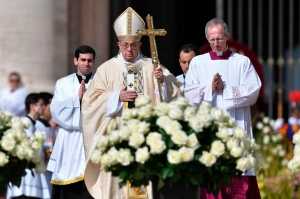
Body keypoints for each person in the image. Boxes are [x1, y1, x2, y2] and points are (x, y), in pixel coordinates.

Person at [81, 7, 183, 199]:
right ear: (119, 45)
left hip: (144, 137)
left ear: (140, 44)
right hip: (116, 137)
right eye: (125, 45)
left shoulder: (152, 66)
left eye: (133, 45)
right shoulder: (106, 69)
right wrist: (114, 97)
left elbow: (178, 94)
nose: (129, 49)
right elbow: (89, 103)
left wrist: (162, 81)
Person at [184, 18, 262, 198]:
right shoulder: (197, 63)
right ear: (206, 38)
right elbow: (188, 93)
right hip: (210, 128)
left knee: (239, 174)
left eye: (219, 38)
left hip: (237, 127)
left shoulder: (242, 62)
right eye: (211, 39)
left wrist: (225, 89)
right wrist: (210, 88)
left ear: (227, 36)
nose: (215, 43)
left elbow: (253, 91)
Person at [47, 45, 95, 199]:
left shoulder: (100, 82)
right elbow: (55, 111)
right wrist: (77, 98)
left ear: (93, 62)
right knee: (68, 186)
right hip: (69, 140)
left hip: (93, 138)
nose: (86, 64)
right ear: (75, 61)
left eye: (89, 60)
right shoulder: (63, 83)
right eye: (83, 60)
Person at [7, 93, 50, 199]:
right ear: (32, 106)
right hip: (25, 179)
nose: (44, 107)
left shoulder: (34, 125)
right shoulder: (23, 123)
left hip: (33, 177)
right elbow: (24, 149)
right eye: (41, 104)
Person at [35, 92, 56, 195]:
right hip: (40, 173)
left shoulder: (50, 127)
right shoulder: (37, 126)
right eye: (51, 105)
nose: (53, 109)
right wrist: (51, 147)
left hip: (50, 173)